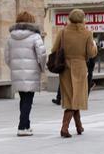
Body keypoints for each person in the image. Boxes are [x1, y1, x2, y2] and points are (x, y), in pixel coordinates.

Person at [53, 9, 98, 137]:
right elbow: (90, 53)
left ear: (70, 18)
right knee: (76, 97)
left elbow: (54, 49)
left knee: (71, 96)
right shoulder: (87, 33)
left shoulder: (62, 32)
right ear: (82, 19)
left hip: (65, 68)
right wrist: (95, 48)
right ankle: (64, 128)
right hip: (80, 67)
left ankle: (79, 126)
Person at [6, 11, 45, 136]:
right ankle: (22, 127)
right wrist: (41, 67)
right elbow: (42, 55)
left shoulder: (10, 37)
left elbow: (7, 57)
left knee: (23, 99)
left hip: (17, 72)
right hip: (32, 72)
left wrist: (14, 67)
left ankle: (26, 125)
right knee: (28, 100)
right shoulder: (35, 36)